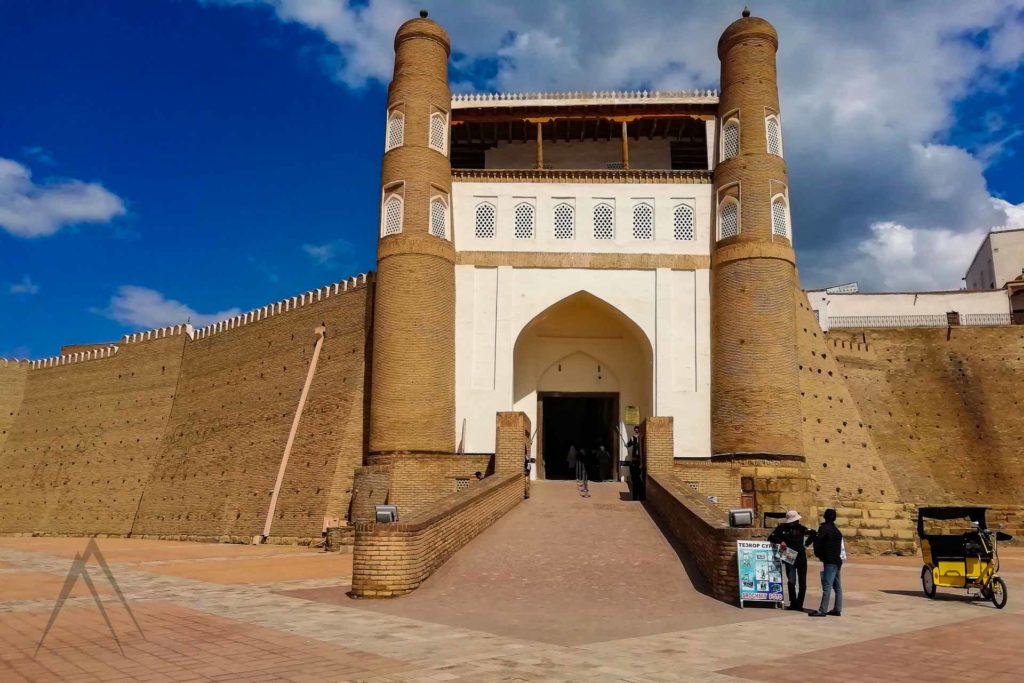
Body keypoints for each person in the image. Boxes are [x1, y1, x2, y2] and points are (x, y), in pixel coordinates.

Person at [767, 510, 814, 611]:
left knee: (802, 582)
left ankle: (799, 604)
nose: (796, 522)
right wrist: (781, 541)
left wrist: (806, 545)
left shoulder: (802, 528)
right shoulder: (781, 528)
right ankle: (793, 602)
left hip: (801, 557)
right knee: (791, 581)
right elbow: (771, 537)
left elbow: (814, 533)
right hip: (789, 555)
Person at [809, 508, 844, 617]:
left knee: (827, 585)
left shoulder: (824, 529)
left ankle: (822, 610)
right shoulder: (837, 531)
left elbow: (818, 543)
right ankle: (837, 609)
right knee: (837, 586)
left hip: (829, 561)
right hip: (837, 561)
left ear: (825, 516)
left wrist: (818, 554)